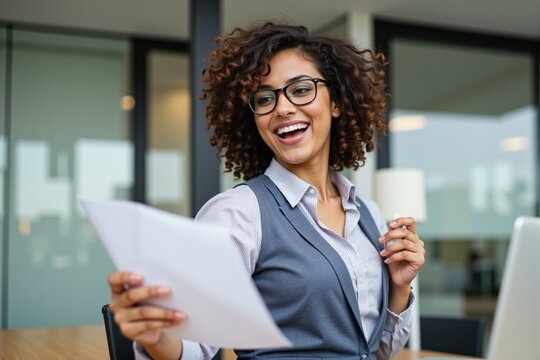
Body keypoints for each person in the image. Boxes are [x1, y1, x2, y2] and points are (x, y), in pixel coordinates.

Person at [108, 22, 425, 360]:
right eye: (265, 98)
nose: (283, 107)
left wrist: (400, 287)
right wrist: (157, 338)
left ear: (336, 103)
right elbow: (194, 347)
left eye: (301, 89)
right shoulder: (238, 213)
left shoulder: (368, 213)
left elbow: (376, 352)